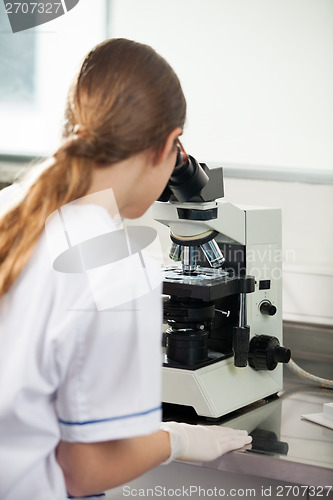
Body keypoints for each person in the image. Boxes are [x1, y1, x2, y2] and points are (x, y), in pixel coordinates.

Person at [0, 38, 251, 500]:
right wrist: (174, 440)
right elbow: (86, 471)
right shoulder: (114, 259)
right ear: (169, 145)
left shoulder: (12, 205)